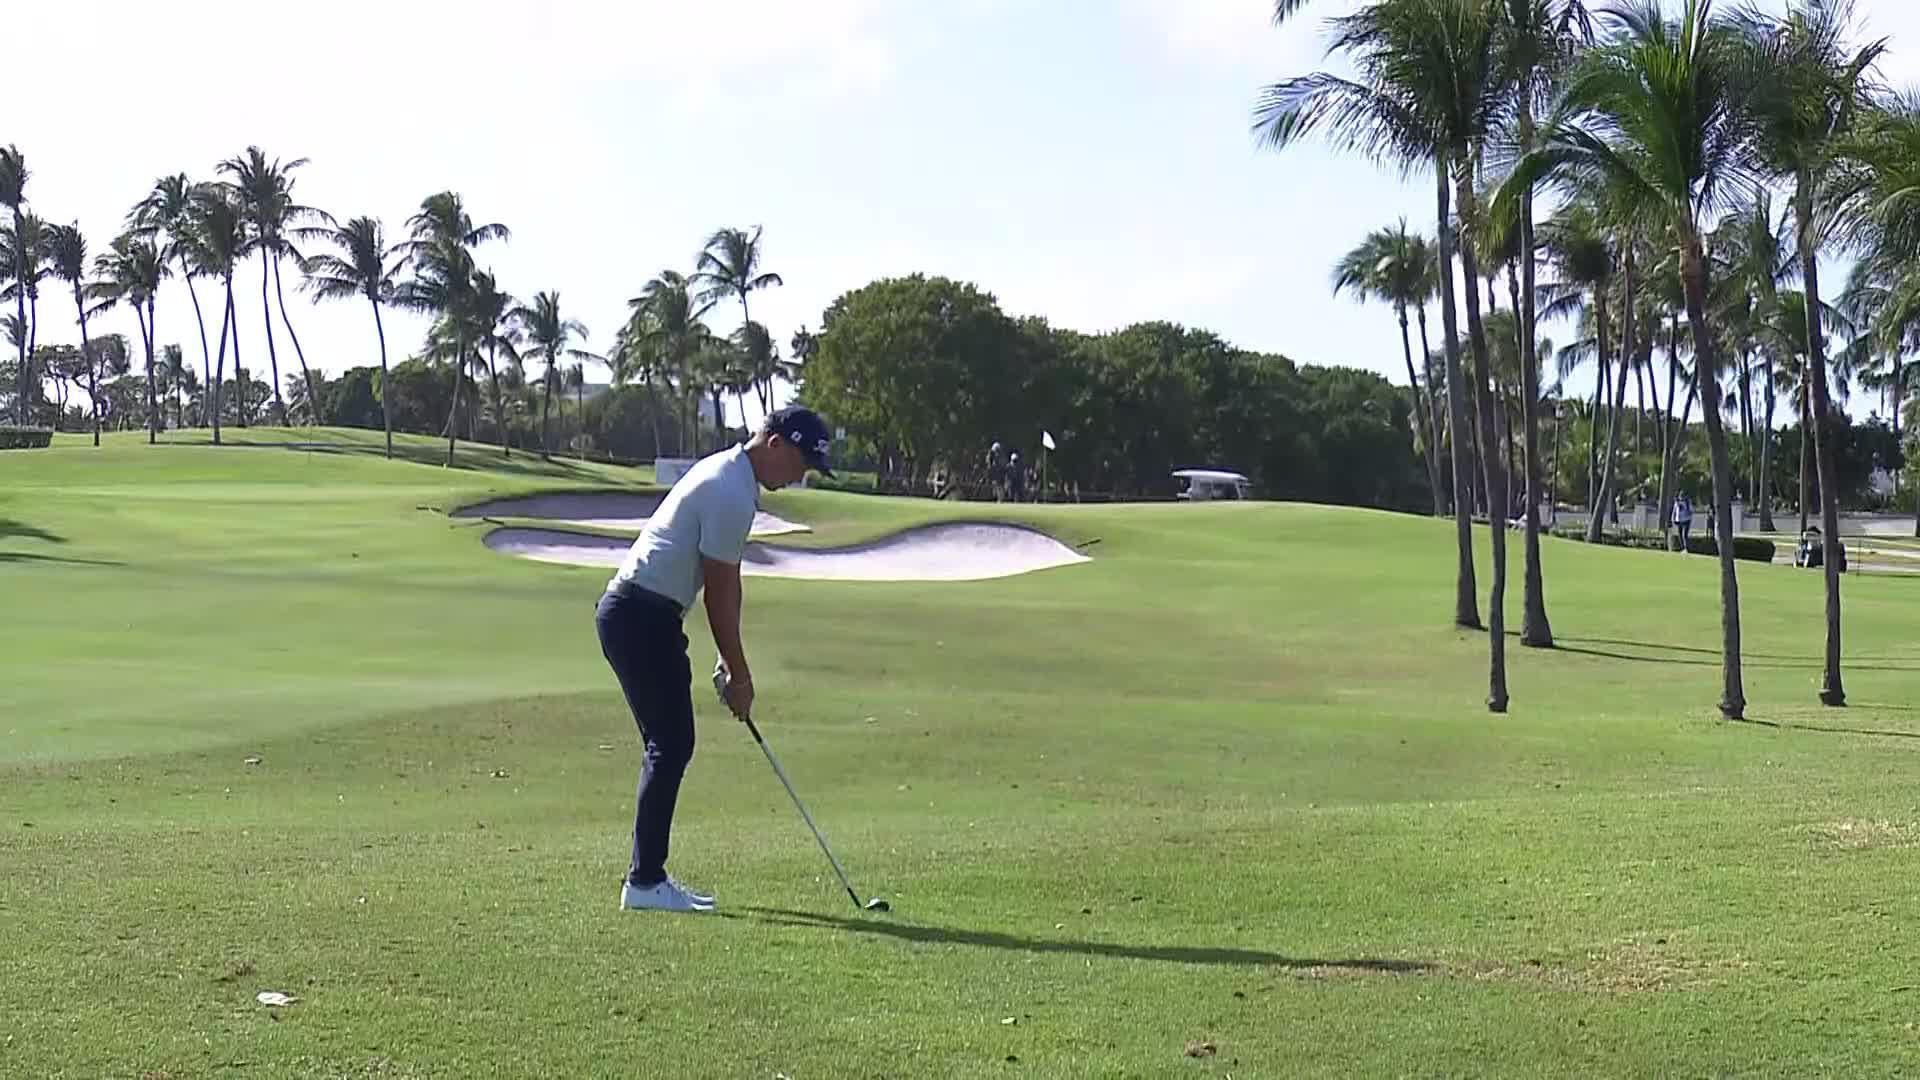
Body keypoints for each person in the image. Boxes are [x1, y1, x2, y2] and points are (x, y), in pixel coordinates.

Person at [594, 405, 835, 913]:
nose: (800, 477)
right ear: (774, 445)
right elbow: (718, 594)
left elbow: (730, 585)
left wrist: (731, 662)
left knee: (670, 743)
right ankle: (644, 882)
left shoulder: (732, 478)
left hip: (646, 616)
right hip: (640, 616)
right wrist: (740, 673)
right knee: (671, 742)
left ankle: (646, 878)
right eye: (801, 463)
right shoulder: (730, 490)